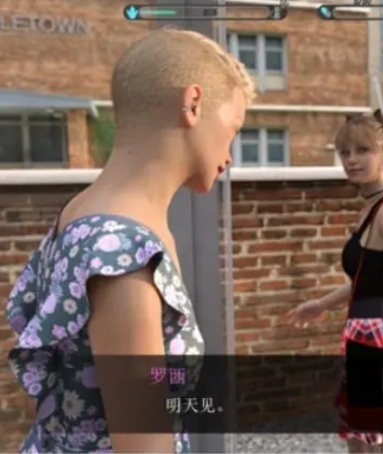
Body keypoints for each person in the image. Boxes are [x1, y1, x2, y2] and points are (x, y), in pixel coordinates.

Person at [4, 29, 254, 453]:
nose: (230, 155)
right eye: (233, 129)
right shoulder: (122, 254)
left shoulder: (82, 212)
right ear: (193, 104)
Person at [284, 110, 383, 453]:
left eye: (362, 150)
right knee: (362, 440)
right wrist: (322, 304)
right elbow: (373, 278)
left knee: (381, 441)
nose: (351, 160)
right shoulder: (372, 209)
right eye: (345, 152)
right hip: (363, 335)